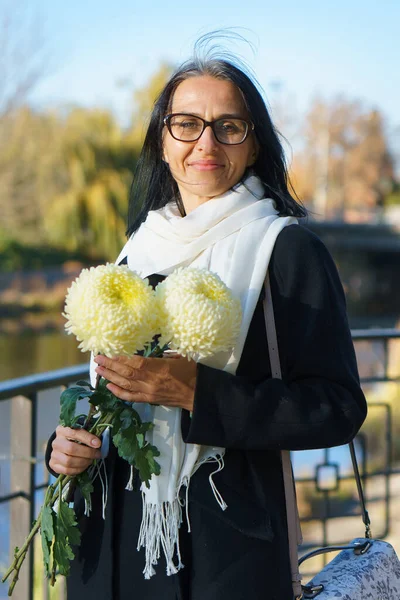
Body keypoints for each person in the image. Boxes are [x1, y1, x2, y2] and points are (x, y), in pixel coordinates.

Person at [46, 49, 367, 600]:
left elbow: (337, 409)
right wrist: (67, 444)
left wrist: (201, 394)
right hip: (111, 548)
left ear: (255, 142)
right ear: (163, 142)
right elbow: (108, 388)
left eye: (229, 127)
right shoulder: (138, 249)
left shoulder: (288, 252)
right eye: (187, 124)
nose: (206, 143)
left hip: (220, 556)